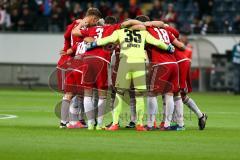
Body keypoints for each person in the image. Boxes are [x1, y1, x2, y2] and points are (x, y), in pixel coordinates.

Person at [85, 20, 175, 131]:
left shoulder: (120, 32)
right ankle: (140, 124)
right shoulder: (144, 33)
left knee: (119, 94)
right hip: (139, 64)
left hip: (125, 63)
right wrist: (168, 48)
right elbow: (157, 42)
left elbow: (107, 40)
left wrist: (92, 44)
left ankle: (115, 124)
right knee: (139, 95)